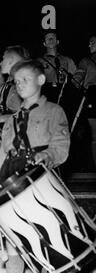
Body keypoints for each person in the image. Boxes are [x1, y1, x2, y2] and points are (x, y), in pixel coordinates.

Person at [0, 59, 70, 273]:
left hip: (40, 181)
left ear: (41, 80)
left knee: (43, 243)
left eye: (25, 79)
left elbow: (61, 145)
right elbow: (2, 156)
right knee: (14, 245)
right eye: (16, 82)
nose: (20, 85)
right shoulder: (12, 120)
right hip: (11, 180)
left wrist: (46, 155)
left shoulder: (54, 111)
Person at [0, 45, 29, 250]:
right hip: (8, 145)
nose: (0, 62)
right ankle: (6, 238)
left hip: (18, 147)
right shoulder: (9, 87)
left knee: (11, 193)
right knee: (2, 192)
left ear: (13, 60)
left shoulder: (19, 85)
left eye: (3, 58)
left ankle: (13, 239)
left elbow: (27, 115)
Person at [0, 45, 29, 126]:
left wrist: (0, 118)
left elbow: (28, 117)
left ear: (11, 61)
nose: (0, 63)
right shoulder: (8, 85)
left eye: (3, 59)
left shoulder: (24, 83)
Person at [73, 35, 96, 171]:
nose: (89, 45)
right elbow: (78, 77)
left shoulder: (86, 61)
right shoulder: (86, 61)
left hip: (92, 95)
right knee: (94, 134)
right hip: (93, 95)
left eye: (92, 42)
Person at [38, 31, 77, 104]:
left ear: (57, 42)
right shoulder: (39, 61)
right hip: (46, 94)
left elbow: (76, 78)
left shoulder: (67, 60)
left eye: (53, 37)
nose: (50, 40)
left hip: (63, 93)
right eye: (47, 38)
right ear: (44, 43)